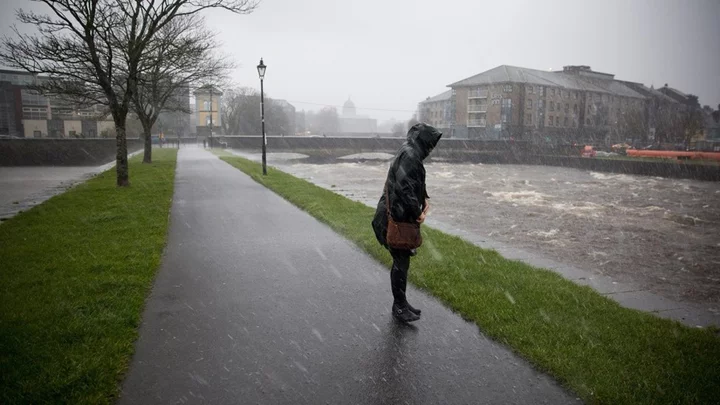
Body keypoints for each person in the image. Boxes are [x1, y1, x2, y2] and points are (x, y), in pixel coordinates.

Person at [372, 123, 442, 323]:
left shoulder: (409, 151)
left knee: (401, 262)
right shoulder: (411, 156)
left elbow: (411, 182)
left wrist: (424, 197)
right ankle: (399, 307)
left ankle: (401, 303)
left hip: (395, 216)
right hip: (396, 218)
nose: (432, 148)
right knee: (401, 263)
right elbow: (405, 188)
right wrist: (417, 212)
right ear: (424, 141)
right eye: (431, 143)